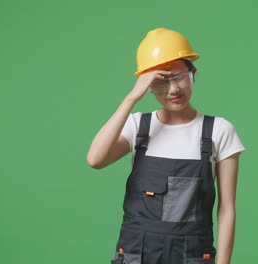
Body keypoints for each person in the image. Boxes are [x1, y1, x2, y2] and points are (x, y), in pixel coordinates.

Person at [87, 27, 245, 264]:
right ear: (148, 85)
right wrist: (131, 98)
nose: (173, 90)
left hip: (192, 254)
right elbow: (95, 160)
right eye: (161, 81)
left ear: (193, 74)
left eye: (179, 77)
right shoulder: (138, 126)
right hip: (136, 254)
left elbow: (227, 210)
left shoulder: (219, 131)